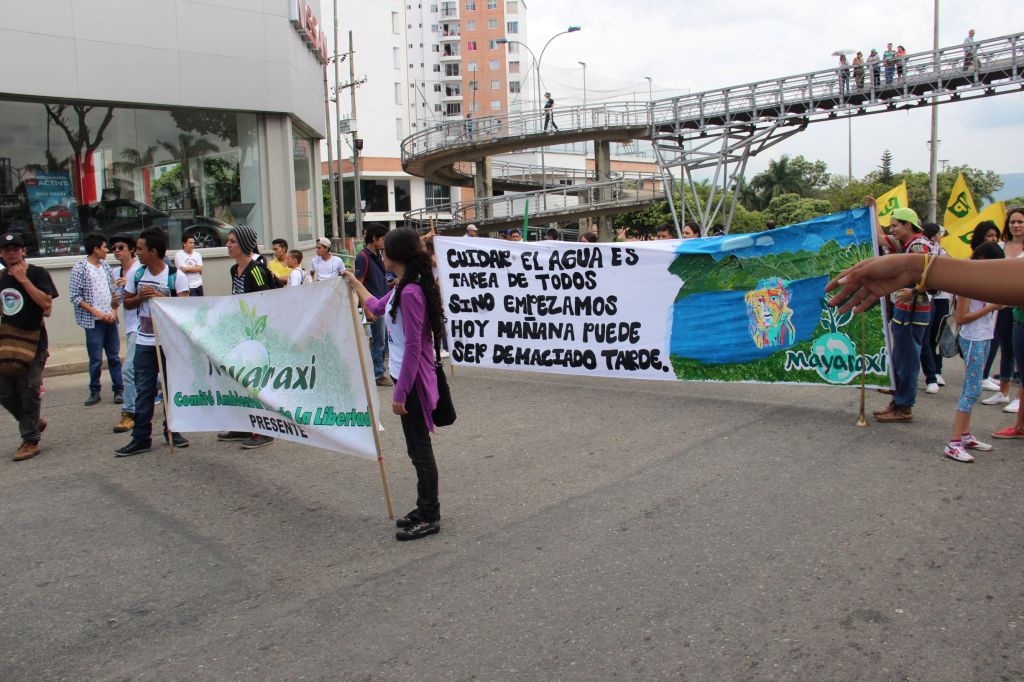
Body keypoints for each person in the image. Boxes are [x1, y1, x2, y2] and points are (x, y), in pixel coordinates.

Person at [343, 228, 446, 542]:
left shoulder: (411, 292)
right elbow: (375, 307)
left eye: (384, 251)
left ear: (395, 255)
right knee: (415, 449)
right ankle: (424, 506)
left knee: (420, 450)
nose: (381, 255)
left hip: (412, 381)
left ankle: (430, 515)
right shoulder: (403, 286)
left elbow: (414, 346)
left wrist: (400, 392)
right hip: (405, 376)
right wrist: (354, 282)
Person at [114, 228, 190, 457]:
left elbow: (185, 309)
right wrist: (140, 297)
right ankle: (140, 438)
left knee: (171, 389)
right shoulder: (137, 275)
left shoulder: (175, 276)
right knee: (144, 390)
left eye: (140, 249)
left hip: (168, 343)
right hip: (144, 342)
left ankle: (173, 430)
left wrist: (161, 297)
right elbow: (127, 303)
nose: (136, 252)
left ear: (153, 251)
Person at [216, 224, 277, 450]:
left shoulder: (256, 270)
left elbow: (266, 302)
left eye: (232, 241)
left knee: (257, 384)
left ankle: (265, 430)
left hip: (257, 337)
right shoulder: (235, 270)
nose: (228, 245)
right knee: (239, 382)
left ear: (243, 244)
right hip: (240, 336)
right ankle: (243, 425)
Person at [872, 205, 935, 423]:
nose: (892, 230)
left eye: (895, 226)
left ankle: (904, 406)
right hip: (903, 309)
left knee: (908, 360)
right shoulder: (906, 244)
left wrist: (914, 291)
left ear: (908, 225)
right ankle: (898, 402)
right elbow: (880, 238)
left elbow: (931, 276)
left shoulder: (919, 246)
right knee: (901, 357)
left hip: (913, 311)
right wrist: (874, 209)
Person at [0, 232, 58, 462]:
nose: (11, 253)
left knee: (30, 388)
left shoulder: (37, 273)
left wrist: (23, 280)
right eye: (6, 249)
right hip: (7, 342)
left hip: (33, 342)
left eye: (15, 248)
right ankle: (31, 422)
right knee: (4, 391)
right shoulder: (1, 277)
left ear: (23, 250)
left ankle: (30, 439)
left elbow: (46, 306)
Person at [944, 242, 1004, 462]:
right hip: (972, 340)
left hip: (985, 337)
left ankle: (965, 436)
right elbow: (961, 318)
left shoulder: (989, 281)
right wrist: (992, 307)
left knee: (974, 387)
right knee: (971, 390)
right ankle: (954, 443)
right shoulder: (966, 283)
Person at [69, 232, 123, 407]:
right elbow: (75, 296)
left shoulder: (106, 266)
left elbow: (114, 291)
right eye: (105, 247)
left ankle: (119, 389)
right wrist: (97, 313)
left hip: (110, 319)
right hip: (93, 321)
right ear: (95, 249)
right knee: (95, 358)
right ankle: (95, 391)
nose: (107, 251)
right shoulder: (80, 268)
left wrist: (114, 311)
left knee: (114, 356)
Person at [982, 209, 1024, 408]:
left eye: (1020, 222)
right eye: (1012, 222)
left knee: (1020, 351)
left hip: (1020, 306)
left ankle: (1020, 398)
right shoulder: (1000, 246)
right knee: (1006, 348)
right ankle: (1003, 392)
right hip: (1000, 305)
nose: (1016, 225)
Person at [111, 233, 142, 435]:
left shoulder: (140, 270)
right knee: (143, 371)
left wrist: (129, 290)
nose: (116, 251)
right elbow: (116, 302)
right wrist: (115, 301)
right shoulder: (115, 272)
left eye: (120, 247)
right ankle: (170, 387)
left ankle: (129, 413)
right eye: (114, 248)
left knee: (128, 369)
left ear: (131, 249)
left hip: (143, 325)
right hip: (130, 326)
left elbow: (144, 296)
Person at [354, 224, 391, 387]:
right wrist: (367, 309)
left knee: (383, 340)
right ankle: (378, 374)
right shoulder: (363, 257)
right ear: (374, 238)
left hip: (383, 303)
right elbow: (359, 284)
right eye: (382, 239)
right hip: (374, 305)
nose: (384, 242)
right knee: (379, 341)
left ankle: (378, 371)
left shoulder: (377, 255)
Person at [918, 223, 950, 395]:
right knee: (925, 338)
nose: (940, 237)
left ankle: (936, 372)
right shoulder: (921, 249)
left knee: (936, 337)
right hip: (926, 298)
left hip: (941, 298)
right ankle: (932, 375)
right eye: (939, 234)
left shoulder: (941, 252)